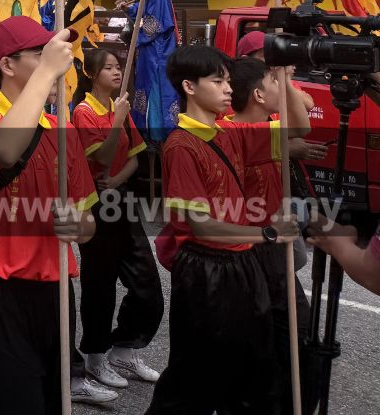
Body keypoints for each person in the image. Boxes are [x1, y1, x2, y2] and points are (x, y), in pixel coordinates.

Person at [145, 46, 298, 414]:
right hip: (206, 271)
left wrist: (283, 77)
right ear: (190, 87)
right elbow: (201, 226)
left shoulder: (230, 132)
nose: (228, 89)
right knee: (195, 376)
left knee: (255, 369)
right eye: (218, 81)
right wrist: (268, 234)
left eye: (228, 81)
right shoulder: (181, 145)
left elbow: (301, 128)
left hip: (243, 265)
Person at [0, 17, 103, 412]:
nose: (56, 61)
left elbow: (88, 220)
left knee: (55, 400)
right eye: (40, 54)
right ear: (7, 65)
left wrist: (80, 227)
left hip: (55, 290)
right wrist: (46, 74)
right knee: (15, 402)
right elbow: (4, 152)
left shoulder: (63, 129)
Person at [226, 56, 317, 411]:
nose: (282, 88)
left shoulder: (269, 125)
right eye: (274, 83)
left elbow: (303, 127)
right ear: (258, 95)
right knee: (261, 342)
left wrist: (284, 78)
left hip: (273, 247)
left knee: (298, 336)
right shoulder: (233, 134)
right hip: (248, 248)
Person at [72, 48, 163, 388]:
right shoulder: (84, 112)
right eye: (108, 67)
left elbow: (135, 159)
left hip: (121, 200)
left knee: (147, 284)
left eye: (118, 66)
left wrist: (116, 180)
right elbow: (103, 155)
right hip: (97, 206)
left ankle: (124, 348)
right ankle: (95, 355)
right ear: (91, 74)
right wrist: (117, 122)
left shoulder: (118, 109)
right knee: (100, 286)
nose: (115, 71)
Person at [126, 0, 179, 143]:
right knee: (147, 88)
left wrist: (135, 38)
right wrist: (129, 9)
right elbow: (143, 11)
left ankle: (156, 135)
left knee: (155, 90)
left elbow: (153, 26)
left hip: (157, 54)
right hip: (151, 52)